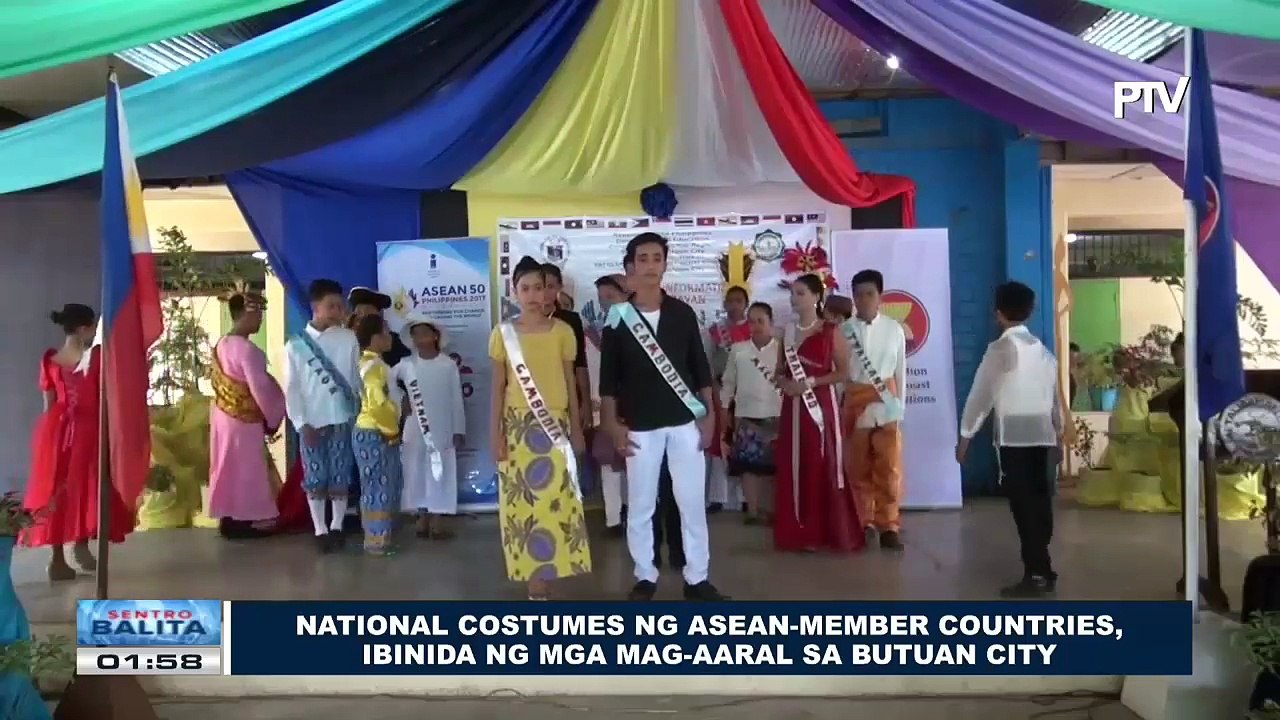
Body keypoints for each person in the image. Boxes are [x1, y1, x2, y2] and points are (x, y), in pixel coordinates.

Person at [599, 232, 724, 601]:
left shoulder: (682, 313)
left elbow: (700, 370)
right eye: (643, 258)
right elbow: (607, 380)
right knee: (640, 503)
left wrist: (710, 416)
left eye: (657, 258)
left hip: (685, 422)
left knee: (690, 503)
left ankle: (697, 577)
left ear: (665, 264)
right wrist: (610, 423)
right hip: (639, 424)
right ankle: (645, 576)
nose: (650, 265)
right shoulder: (618, 319)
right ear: (632, 266)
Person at [489, 256, 590, 600]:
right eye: (525, 288)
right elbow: (498, 388)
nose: (534, 295)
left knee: (555, 505)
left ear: (550, 292)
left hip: (555, 428)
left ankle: (549, 576)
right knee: (523, 507)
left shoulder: (563, 331)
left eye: (540, 287)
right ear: (514, 292)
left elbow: (569, 381)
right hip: (517, 429)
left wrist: (577, 427)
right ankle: (534, 584)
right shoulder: (503, 334)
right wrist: (495, 435)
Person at [956, 281, 1062, 598]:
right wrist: (1057, 434)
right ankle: (1044, 568)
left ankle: (1036, 574)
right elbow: (1053, 398)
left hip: (1015, 438)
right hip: (1042, 436)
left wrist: (965, 436)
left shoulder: (1000, 350)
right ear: (1029, 311)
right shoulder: (1043, 351)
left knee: (1024, 508)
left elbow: (980, 397)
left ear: (998, 313)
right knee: (1040, 505)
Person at [23, 304, 132, 580]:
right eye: (93, 327)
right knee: (89, 487)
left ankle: (58, 558)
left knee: (57, 490)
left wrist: (47, 442)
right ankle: (80, 545)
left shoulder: (50, 360)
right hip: (88, 429)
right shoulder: (95, 358)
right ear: (84, 328)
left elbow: (48, 405)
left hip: (56, 432)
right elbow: (104, 399)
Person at [773, 275, 862, 553]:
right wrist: (785, 384)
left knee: (821, 462)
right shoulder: (786, 332)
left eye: (800, 293)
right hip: (792, 406)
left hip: (820, 406)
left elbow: (843, 372)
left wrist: (809, 383)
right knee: (794, 463)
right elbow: (779, 371)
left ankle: (826, 531)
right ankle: (798, 531)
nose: (794, 298)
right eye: (793, 293)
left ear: (816, 297)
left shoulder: (831, 331)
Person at [285, 279, 362, 554]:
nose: (337, 311)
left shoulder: (349, 338)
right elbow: (292, 389)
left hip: (343, 418)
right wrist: (300, 422)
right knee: (316, 477)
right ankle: (320, 529)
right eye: (331, 306)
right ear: (315, 307)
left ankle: (338, 526)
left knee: (340, 475)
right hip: (310, 422)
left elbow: (355, 380)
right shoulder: (296, 345)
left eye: (340, 306)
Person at [208, 292, 286, 540]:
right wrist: (273, 416)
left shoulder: (221, 344)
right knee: (247, 469)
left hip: (223, 415)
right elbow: (260, 388)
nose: (260, 321)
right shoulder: (249, 350)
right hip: (245, 420)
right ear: (249, 313)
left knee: (226, 466)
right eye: (259, 315)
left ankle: (228, 517)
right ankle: (248, 519)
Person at [841, 269, 907, 551]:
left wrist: (900, 407)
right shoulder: (843, 331)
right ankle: (863, 522)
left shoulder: (894, 329)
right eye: (858, 295)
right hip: (855, 404)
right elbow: (839, 373)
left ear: (880, 297)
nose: (864, 299)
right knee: (857, 468)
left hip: (886, 405)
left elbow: (901, 370)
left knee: (889, 469)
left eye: (870, 294)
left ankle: (889, 525)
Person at [394, 314, 465, 540]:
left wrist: (459, 429)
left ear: (435, 336)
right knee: (415, 470)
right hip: (415, 428)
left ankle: (437, 520)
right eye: (416, 334)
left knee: (440, 471)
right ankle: (421, 517)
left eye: (425, 333)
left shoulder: (448, 364)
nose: (420, 338)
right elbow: (383, 384)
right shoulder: (406, 365)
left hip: (442, 426)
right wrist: (400, 403)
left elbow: (456, 399)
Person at [721, 302, 782, 525]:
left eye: (761, 321)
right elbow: (728, 383)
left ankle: (774, 511)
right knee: (749, 468)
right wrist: (725, 410)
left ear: (771, 323)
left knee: (774, 469)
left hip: (777, 415)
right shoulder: (739, 350)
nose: (755, 326)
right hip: (746, 415)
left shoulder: (782, 350)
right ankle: (753, 512)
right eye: (751, 321)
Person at [351, 314, 403, 555]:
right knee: (380, 485)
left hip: (364, 431)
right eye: (386, 331)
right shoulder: (376, 368)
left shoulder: (361, 363)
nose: (389, 336)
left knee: (371, 484)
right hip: (377, 431)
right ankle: (377, 540)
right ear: (375, 337)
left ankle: (374, 535)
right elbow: (378, 404)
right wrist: (392, 430)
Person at [706, 286, 751, 514]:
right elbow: (707, 363)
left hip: (747, 394)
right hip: (721, 392)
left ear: (746, 304)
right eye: (730, 301)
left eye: (739, 301)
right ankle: (717, 496)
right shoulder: (716, 331)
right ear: (724, 304)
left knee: (744, 443)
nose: (734, 305)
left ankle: (746, 497)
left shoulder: (754, 329)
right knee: (719, 442)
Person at [592, 274, 629, 536]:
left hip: (638, 407)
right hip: (608, 407)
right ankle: (613, 519)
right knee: (609, 463)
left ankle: (637, 515)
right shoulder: (600, 333)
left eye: (611, 297)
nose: (605, 304)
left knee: (636, 463)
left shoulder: (643, 328)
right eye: (601, 299)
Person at [542, 264, 591, 429]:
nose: (544, 292)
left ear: (559, 287)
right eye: (540, 286)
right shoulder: (522, 323)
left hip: (568, 397)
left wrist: (586, 402)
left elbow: (580, 364)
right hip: (535, 397)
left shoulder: (571, 320)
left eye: (550, 286)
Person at [347, 286, 410, 366]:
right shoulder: (346, 341)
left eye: (370, 315)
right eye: (359, 314)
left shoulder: (392, 340)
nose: (364, 319)